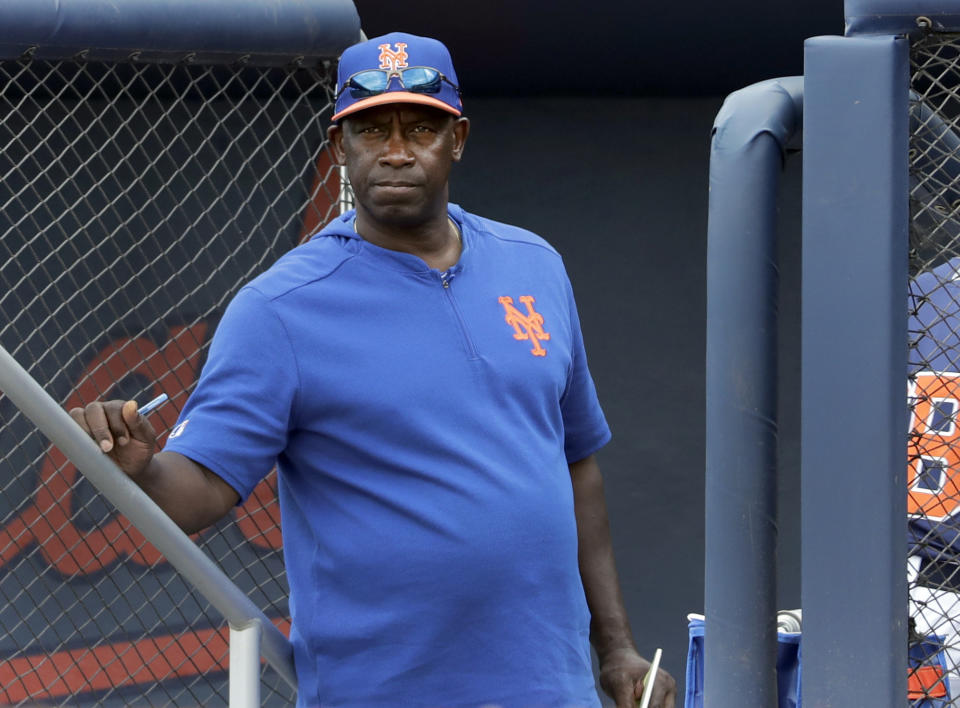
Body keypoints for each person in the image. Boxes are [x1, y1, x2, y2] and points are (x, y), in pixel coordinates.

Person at [69, 32, 676, 708]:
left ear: (458, 140)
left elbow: (576, 466)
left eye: (420, 127)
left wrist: (616, 646)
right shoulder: (280, 308)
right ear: (339, 148)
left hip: (550, 691)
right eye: (370, 130)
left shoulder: (534, 265)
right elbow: (201, 490)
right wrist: (139, 468)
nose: (395, 150)